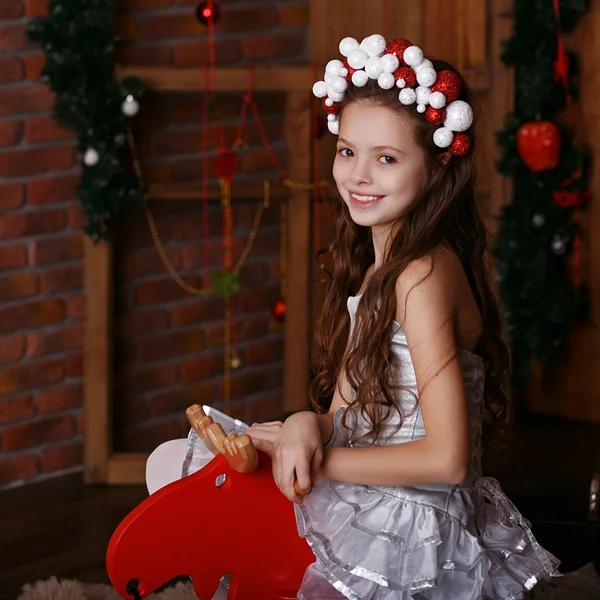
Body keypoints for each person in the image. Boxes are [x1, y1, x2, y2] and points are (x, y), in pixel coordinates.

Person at [246, 34, 560, 599]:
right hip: (371, 493)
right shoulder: (379, 272)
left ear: (438, 165)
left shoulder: (421, 276)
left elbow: (447, 459)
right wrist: (301, 425)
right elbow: (344, 415)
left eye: (386, 158)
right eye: (347, 151)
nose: (358, 175)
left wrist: (322, 463)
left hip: (415, 531)